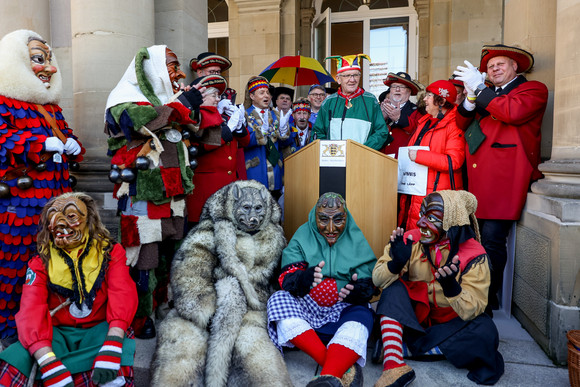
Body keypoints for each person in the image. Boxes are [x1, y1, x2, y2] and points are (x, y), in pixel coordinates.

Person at [104, 45, 203, 339]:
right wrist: (182, 103)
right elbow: (139, 122)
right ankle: (139, 316)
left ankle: (163, 305)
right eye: (172, 66)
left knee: (169, 256)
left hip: (173, 197)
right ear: (152, 69)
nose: (179, 72)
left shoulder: (167, 100)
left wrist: (196, 105)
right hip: (142, 197)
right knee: (141, 258)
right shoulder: (121, 99)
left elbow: (195, 129)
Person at [152, 180, 293, 386]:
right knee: (182, 353)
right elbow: (188, 274)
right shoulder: (208, 233)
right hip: (206, 307)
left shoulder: (274, 238)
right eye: (245, 207)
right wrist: (206, 311)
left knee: (259, 360)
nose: (252, 215)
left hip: (251, 310)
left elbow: (280, 279)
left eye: (258, 208)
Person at [0, 192, 138, 386]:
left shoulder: (111, 253)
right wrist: (47, 361)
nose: (60, 223)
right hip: (55, 334)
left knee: (116, 366)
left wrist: (113, 343)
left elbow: (122, 293)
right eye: (54, 216)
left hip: (98, 331)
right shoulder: (40, 262)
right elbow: (31, 309)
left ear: (89, 220)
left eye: (71, 216)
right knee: (17, 359)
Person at [0, 29, 84, 346]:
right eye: (38, 59)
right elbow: (4, 143)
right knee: (15, 264)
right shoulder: (2, 103)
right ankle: (9, 330)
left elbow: (65, 136)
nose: (48, 68)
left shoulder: (51, 108)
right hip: (18, 207)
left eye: (49, 60)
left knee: (53, 261)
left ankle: (44, 320)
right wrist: (38, 144)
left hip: (57, 201)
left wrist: (72, 144)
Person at [373, 190, 504, 387]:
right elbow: (377, 280)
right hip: (414, 319)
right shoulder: (410, 239)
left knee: (485, 333)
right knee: (393, 290)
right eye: (422, 215)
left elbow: (473, 309)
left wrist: (453, 290)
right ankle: (393, 365)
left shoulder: (475, 255)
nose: (421, 223)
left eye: (432, 218)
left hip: (450, 324)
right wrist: (395, 264)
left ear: (452, 223)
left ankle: (397, 347)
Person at [453, 44, 548, 312]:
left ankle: (485, 300)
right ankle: (474, 293)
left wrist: (480, 91)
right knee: (475, 238)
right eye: (490, 67)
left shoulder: (533, 89)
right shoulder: (489, 93)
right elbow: (461, 124)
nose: (493, 69)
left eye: (500, 64)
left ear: (515, 67)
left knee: (493, 238)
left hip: (506, 177)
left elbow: (512, 112)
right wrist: (471, 98)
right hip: (478, 176)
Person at [267, 192, 377, 387]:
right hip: (307, 314)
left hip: (343, 311)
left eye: (339, 220)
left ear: (347, 218)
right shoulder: (302, 235)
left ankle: (325, 377)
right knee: (277, 299)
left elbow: (370, 282)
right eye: (323, 220)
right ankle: (337, 367)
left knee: (364, 314)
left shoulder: (356, 238)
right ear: (314, 217)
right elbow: (286, 277)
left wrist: (356, 292)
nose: (331, 228)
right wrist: (302, 278)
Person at [398, 80, 465, 231]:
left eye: (429, 95)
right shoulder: (425, 121)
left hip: (438, 196)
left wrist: (420, 156)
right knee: (414, 238)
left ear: (441, 100)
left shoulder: (454, 125)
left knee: (431, 241)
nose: (424, 99)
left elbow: (454, 161)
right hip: (418, 191)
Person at [185, 75, 249, 226]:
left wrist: (239, 126)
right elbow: (206, 144)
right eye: (213, 95)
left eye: (218, 96)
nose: (217, 100)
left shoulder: (220, 116)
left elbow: (244, 142)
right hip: (206, 189)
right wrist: (229, 128)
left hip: (227, 187)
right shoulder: (197, 117)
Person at [312, 54, 392, 151]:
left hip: (362, 159)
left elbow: (381, 132)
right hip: (334, 160)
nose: (352, 80)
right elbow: (318, 132)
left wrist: (364, 150)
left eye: (356, 75)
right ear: (338, 79)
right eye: (347, 76)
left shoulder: (370, 100)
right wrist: (330, 152)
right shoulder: (329, 102)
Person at [243, 76, 291, 200]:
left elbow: (284, 143)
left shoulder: (275, 113)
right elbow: (244, 142)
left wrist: (284, 131)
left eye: (268, 93)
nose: (267, 96)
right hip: (255, 171)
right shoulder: (245, 114)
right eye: (262, 93)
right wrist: (260, 133)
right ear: (252, 96)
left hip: (275, 172)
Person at [380, 72, 422, 158]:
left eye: (402, 87)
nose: (397, 89)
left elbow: (419, 133)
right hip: (380, 160)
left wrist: (399, 118)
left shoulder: (418, 111)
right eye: (394, 86)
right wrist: (381, 118)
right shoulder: (379, 109)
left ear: (409, 92)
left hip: (403, 161)